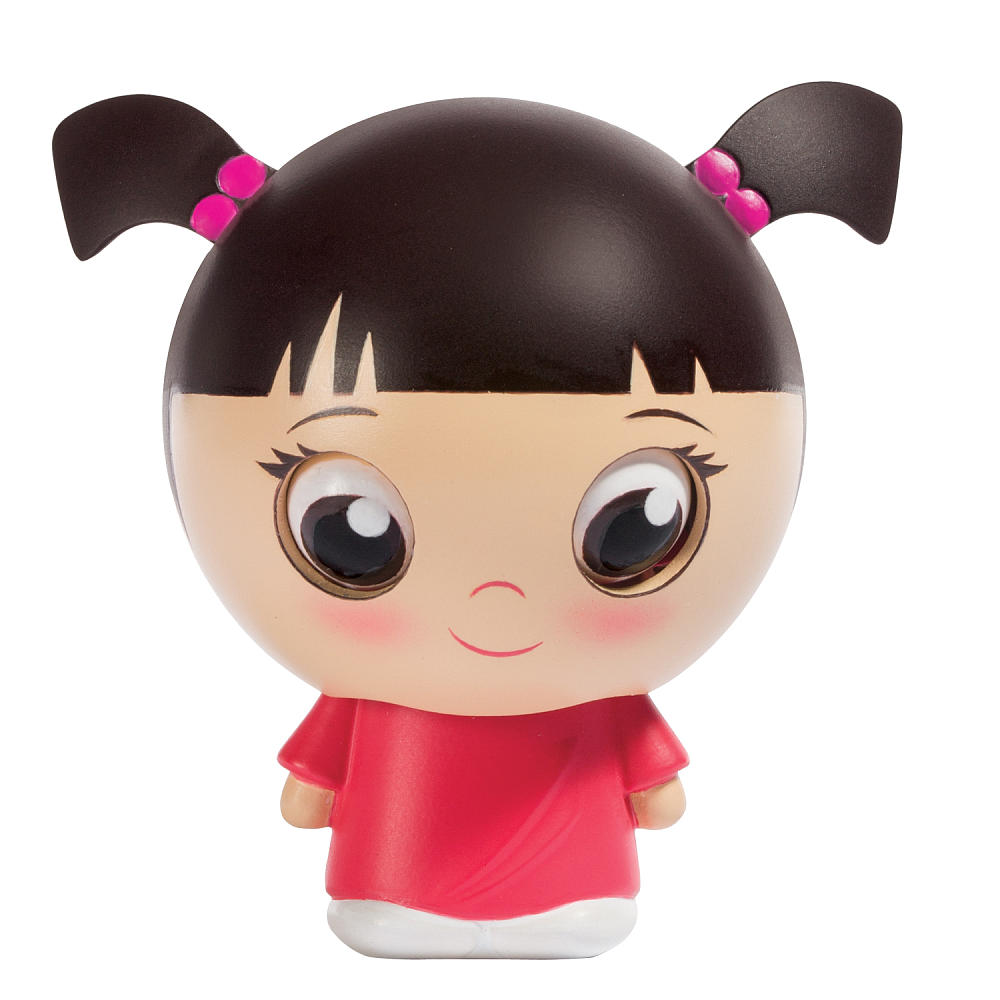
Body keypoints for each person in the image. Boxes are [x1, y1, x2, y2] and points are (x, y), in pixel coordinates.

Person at [53, 83, 901, 958]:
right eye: (350, 534)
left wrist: (318, 787)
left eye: (636, 529)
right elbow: (659, 799)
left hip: (561, 886)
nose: (496, 603)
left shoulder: (558, 683)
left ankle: (531, 904)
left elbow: (309, 800)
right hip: (399, 878)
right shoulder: (468, 682)